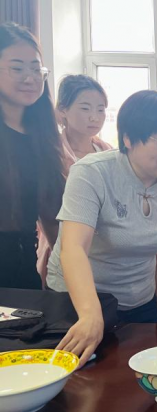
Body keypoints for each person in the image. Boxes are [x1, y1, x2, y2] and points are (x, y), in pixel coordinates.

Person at [47, 90, 157, 365]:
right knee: (82, 379)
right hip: (80, 302)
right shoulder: (92, 173)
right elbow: (74, 247)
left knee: (139, 377)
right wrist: (90, 314)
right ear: (128, 138)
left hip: (140, 302)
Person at [0, 22, 65, 290]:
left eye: (36, 69)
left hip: (23, 269)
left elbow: (51, 213)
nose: (30, 78)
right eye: (17, 68)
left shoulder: (43, 135)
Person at [36, 74, 113, 285]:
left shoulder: (108, 151)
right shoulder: (52, 154)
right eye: (85, 108)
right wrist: (61, 249)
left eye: (100, 109)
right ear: (63, 110)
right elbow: (46, 212)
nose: (94, 117)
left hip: (106, 251)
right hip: (63, 245)